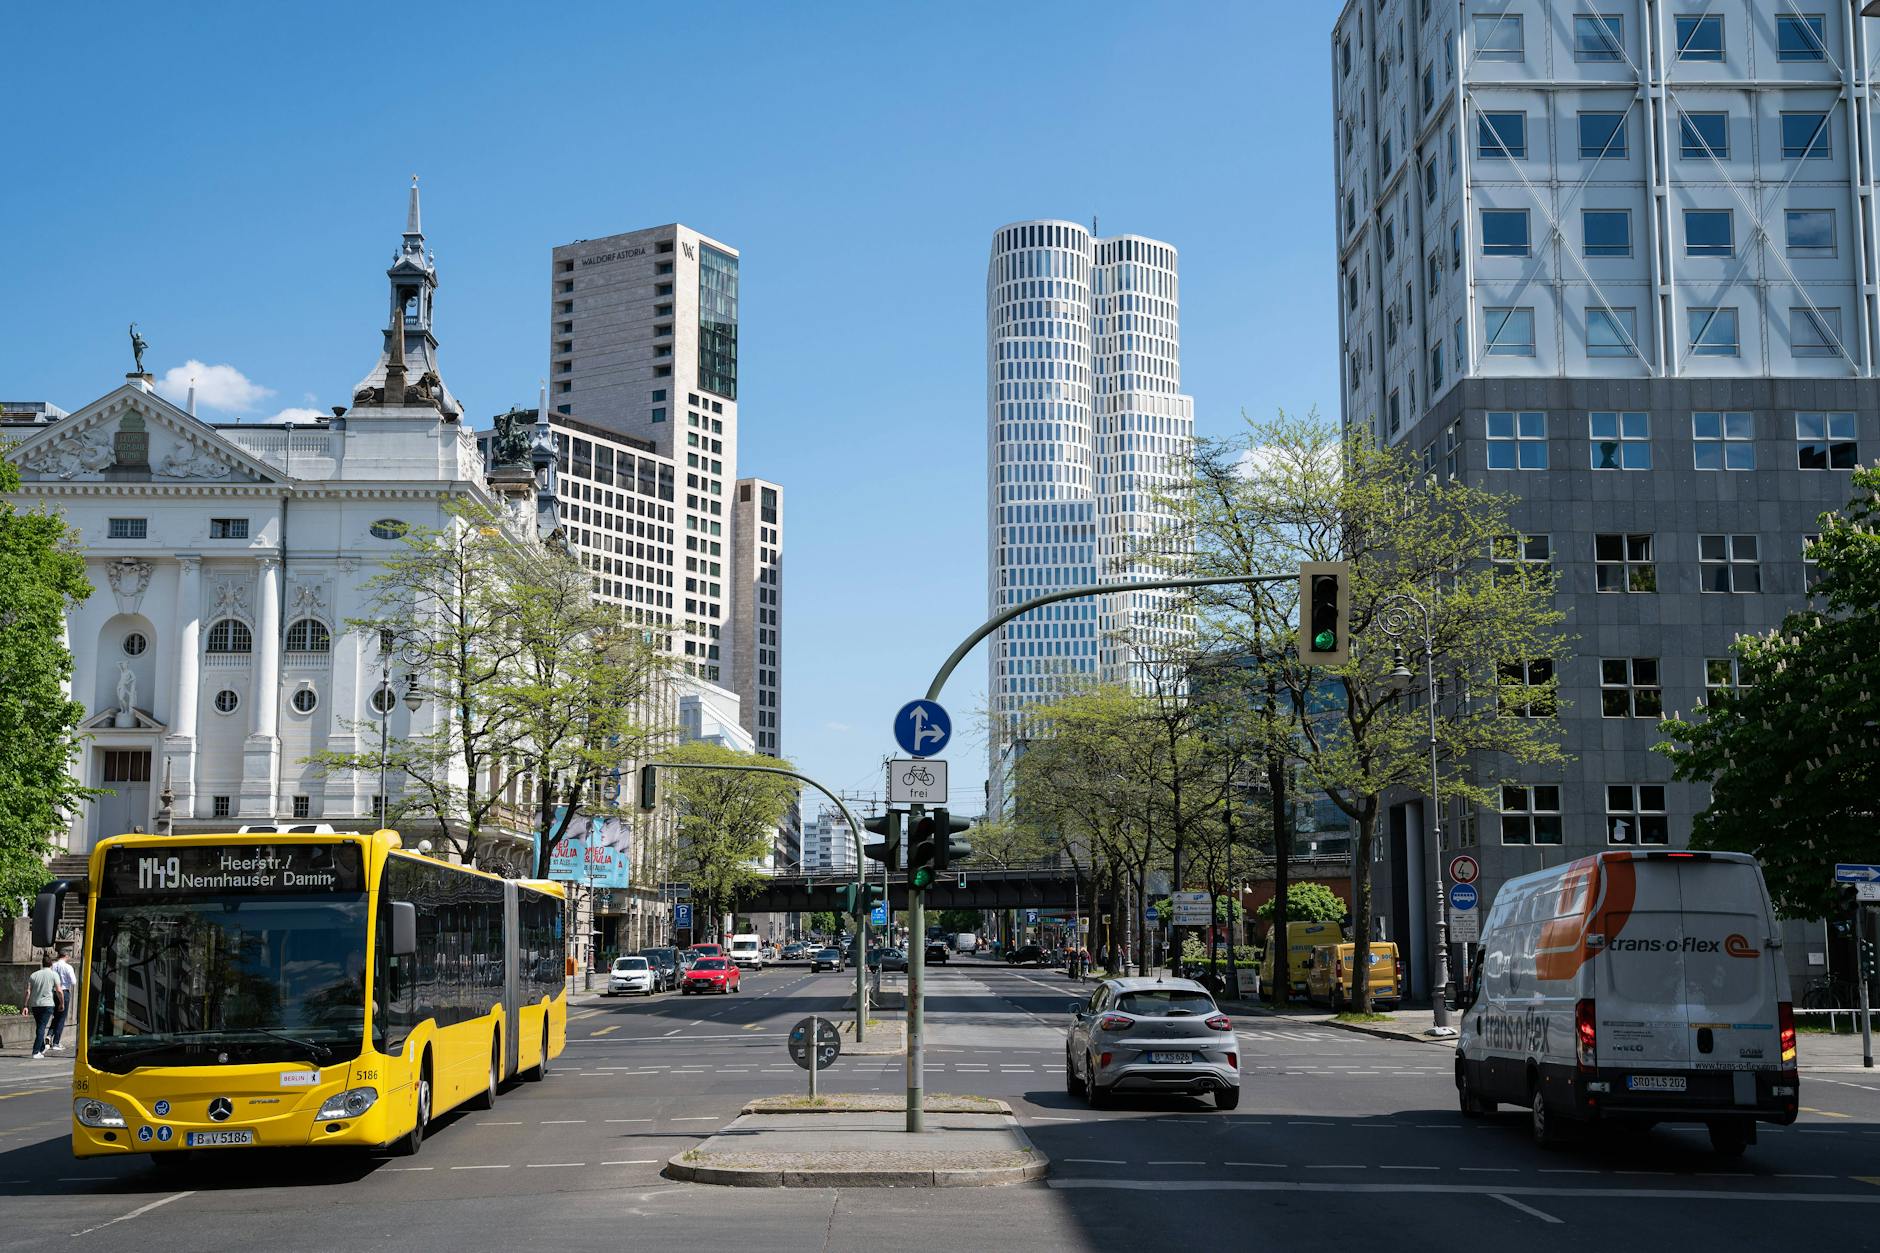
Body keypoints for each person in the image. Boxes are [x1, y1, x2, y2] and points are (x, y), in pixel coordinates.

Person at [24, 953, 62, 1060]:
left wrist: (25, 1005)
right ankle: (36, 1051)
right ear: (51, 964)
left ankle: (41, 1048)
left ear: (42, 964)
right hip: (47, 1004)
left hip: (35, 1004)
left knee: (39, 1026)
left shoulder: (34, 975)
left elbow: (28, 991)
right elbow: (59, 991)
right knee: (41, 1027)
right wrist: (62, 1003)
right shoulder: (54, 975)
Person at [47, 950, 78, 1053]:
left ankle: (49, 1034)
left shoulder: (53, 966)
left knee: (55, 1015)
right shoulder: (68, 967)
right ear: (66, 956)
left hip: (54, 991)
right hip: (64, 991)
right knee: (61, 1018)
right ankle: (56, 1042)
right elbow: (73, 981)